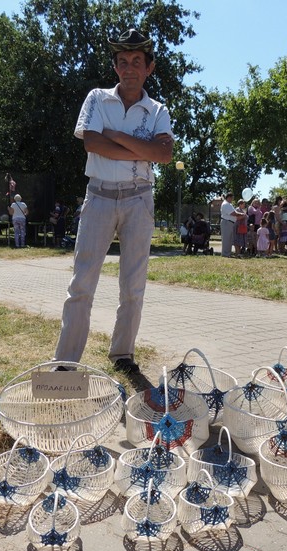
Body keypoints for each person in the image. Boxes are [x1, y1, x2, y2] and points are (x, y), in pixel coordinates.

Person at [53, 28, 173, 375]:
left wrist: (117, 136)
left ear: (149, 67)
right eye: (122, 62)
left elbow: (163, 154)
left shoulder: (157, 110)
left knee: (133, 284)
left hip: (139, 198)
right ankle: (66, 362)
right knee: (81, 282)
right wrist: (140, 147)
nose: (129, 68)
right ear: (115, 67)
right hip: (100, 195)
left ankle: (123, 354)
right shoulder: (96, 98)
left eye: (137, 61)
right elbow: (92, 142)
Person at [219, 192, 241, 257]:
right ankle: (225, 254)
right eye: (232, 198)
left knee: (229, 239)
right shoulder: (226, 204)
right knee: (226, 239)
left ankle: (228, 253)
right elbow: (233, 213)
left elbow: (234, 212)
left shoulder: (229, 204)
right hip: (226, 222)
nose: (232, 199)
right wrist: (241, 214)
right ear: (229, 197)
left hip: (229, 223)